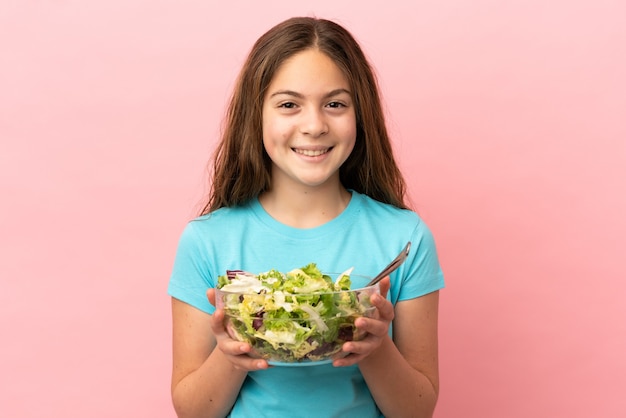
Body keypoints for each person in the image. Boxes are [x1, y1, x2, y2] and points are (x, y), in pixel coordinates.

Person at [168, 16, 445, 418]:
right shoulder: (207, 241)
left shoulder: (405, 238)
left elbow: (417, 410)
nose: (314, 125)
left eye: (335, 104)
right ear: (256, 114)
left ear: (360, 114)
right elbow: (192, 411)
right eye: (288, 105)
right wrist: (232, 350)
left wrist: (375, 346)